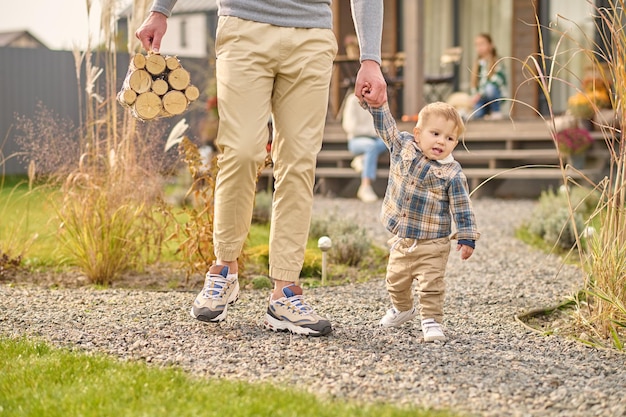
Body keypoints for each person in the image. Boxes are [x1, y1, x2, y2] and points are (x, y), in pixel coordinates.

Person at [136, 0, 387, 337]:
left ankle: (284, 293)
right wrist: (160, 10)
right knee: (241, 151)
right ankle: (224, 268)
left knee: (299, 161)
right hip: (244, 25)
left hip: (311, 34)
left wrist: (370, 57)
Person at [360, 91, 480, 342]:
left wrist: (467, 237)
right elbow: (386, 127)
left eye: (449, 138)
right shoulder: (403, 147)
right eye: (435, 134)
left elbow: (462, 206)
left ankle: (431, 320)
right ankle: (403, 309)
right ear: (418, 134)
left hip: (433, 243)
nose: (441, 142)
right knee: (395, 281)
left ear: (455, 143)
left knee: (431, 285)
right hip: (402, 239)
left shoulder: (452, 172)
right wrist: (378, 104)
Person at [342, 91, 388, 203]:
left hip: (375, 139)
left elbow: (383, 124)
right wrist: (372, 132)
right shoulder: (352, 100)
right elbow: (349, 126)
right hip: (356, 140)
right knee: (371, 146)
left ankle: (362, 159)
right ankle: (365, 186)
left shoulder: (378, 101)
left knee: (388, 142)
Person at [470, 33, 506, 120]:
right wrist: (474, 95)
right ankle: (485, 113)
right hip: (481, 98)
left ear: (490, 45)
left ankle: (496, 111)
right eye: (477, 45)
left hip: (494, 95)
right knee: (477, 115)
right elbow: (474, 84)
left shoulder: (497, 61)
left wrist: (480, 93)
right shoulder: (477, 64)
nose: (479, 47)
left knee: (490, 89)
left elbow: (497, 81)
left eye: (482, 44)